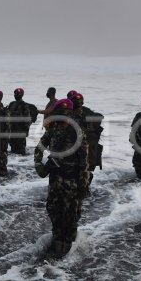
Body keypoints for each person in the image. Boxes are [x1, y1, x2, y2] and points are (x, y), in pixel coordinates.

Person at [34, 99, 89, 257]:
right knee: (53, 209)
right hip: (55, 180)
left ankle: (66, 249)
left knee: (70, 216)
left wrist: (83, 185)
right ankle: (57, 239)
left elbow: (84, 162)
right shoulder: (52, 130)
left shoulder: (77, 132)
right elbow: (39, 147)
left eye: (65, 113)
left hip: (71, 182)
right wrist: (39, 165)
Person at [7, 88, 36, 155]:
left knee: (21, 151)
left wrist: (26, 131)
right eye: (16, 93)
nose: (17, 95)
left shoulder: (24, 105)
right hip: (12, 130)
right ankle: (15, 163)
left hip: (20, 131)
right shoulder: (12, 104)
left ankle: (21, 162)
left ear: (22, 95)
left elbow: (27, 119)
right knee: (13, 149)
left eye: (19, 93)